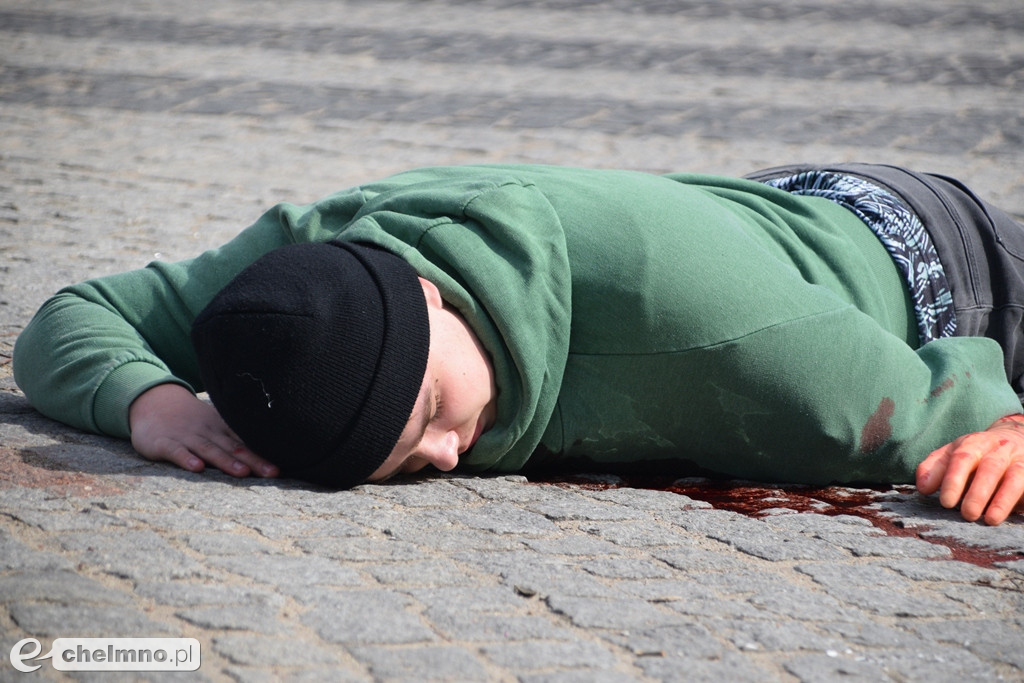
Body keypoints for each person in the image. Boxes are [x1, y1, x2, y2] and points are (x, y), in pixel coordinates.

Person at [12, 162, 1024, 526]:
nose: (451, 455)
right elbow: (68, 318)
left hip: (954, 268)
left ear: (430, 295)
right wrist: (152, 400)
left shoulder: (753, 363)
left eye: (435, 420)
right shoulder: (298, 271)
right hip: (769, 215)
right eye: (409, 467)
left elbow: (962, 408)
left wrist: (1006, 429)